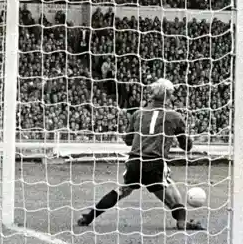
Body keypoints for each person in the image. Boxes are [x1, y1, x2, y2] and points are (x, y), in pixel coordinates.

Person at [76, 78, 204, 231]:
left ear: (151, 94)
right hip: (155, 163)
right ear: (169, 95)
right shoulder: (174, 116)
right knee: (173, 196)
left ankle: (88, 217)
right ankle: (182, 222)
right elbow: (186, 146)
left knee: (122, 191)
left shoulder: (138, 113)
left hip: (135, 162)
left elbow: (128, 141)